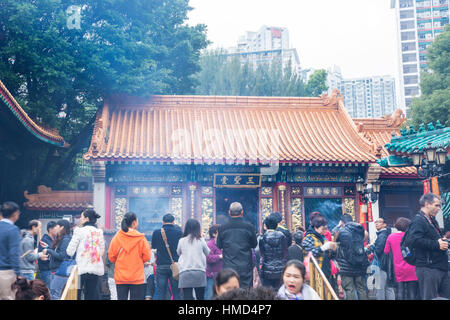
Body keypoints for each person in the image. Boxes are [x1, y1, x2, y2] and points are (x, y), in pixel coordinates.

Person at [408, 193, 448, 300]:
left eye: (439, 206)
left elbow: (432, 239)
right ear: (426, 204)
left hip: (440, 266)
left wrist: (442, 240)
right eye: (436, 205)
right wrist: (437, 244)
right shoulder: (418, 220)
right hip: (428, 267)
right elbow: (414, 240)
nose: (439, 208)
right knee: (430, 297)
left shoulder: (432, 220)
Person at [108, 212, 151, 300]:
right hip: (137, 277)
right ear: (134, 222)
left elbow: (111, 257)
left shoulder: (117, 237)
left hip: (121, 276)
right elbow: (147, 257)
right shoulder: (141, 238)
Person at [66, 209, 105, 300]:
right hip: (96, 268)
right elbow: (102, 250)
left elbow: (69, 251)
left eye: (81, 217)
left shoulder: (79, 231)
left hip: (81, 268)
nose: (80, 219)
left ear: (86, 218)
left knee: (77, 294)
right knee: (91, 295)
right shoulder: (99, 232)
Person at [217, 202, 258, 288]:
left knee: (230, 290)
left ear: (229, 212)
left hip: (229, 265)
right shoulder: (249, 227)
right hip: (245, 266)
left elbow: (219, 245)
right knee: (246, 292)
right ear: (242, 212)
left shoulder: (223, 228)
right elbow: (254, 244)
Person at [334, 215, 369, 300]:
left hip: (346, 266)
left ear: (342, 222)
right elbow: (366, 236)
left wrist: (338, 226)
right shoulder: (360, 230)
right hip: (360, 264)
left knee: (349, 289)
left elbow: (334, 240)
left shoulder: (341, 231)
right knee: (361, 289)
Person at [384, 217, 418, 300]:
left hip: (399, 268)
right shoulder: (411, 236)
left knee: (400, 291)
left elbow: (386, 251)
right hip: (412, 267)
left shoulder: (391, 237)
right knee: (412, 292)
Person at [177, 219, 210, 300]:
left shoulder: (181, 241)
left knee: (187, 297)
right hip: (199, 271)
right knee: (200, 297)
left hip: (185, 272)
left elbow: (178, 252)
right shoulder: (201, 240)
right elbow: (208, 252)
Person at [151, 213, 182, 300]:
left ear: (162, 222)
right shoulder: (179, 232)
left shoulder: (157, 232)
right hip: (175, 265)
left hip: (161, 265)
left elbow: (154, 246)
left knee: (161, 292)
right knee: (176, 293)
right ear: (173, 222)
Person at [367, 217, 395, 300]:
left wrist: (371, 247)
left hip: (381, 264)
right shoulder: (385, 234)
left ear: (384, 224)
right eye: (375, 222)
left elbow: (379, 250)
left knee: (380, 288)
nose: (376, 223)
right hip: (387, 264)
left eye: (379, 222)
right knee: (388, 288)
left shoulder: (382, 235)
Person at [302, 216, 336, 282]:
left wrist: (333, 249)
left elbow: (330, 255)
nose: (325, 231)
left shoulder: (323, 238)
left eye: (326, 229)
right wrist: (322, 248)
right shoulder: (309, 238)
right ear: (315, 228)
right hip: (316, 271)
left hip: (326, 270)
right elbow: (308, 254)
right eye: (323, 229)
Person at [44, 219, 72, 300]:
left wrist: (48, 251)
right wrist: (48, 248)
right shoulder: (61, 238)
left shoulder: (66, 239)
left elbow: (61, 256)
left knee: (55, 294)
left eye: (57, 226)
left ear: (62, 227)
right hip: (56, 270)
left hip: (60, 271)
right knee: (55, 293)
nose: (55, 228)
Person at [0, 202, 22, 300]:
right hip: (6, 271)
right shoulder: (13, 229)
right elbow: (14, 253)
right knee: (8, 297)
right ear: (15, 214)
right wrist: (18, 272)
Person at [259, 215, 288, 289]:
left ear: (265, 226)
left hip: (267, 269)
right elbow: (285, 252)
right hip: (281, 268)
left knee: (268, 293)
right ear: (276, 225)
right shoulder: (282, 237)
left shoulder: (262, 238)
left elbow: (262, 254)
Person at [205, 224, 223, 300]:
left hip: (220, 273)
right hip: (211, 274)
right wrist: (219, 256)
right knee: (210, 295)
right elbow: (208, 258)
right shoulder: (209, 244)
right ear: (214, 234)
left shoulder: (222, 243)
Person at [38, 221, 57, 288]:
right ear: (50, 229)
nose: (57, 230)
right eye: (56, 228)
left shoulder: (55, 239)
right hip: (46, 270)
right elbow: (43, 256)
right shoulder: (44, 240)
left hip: (53, 270)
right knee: (48, 291)